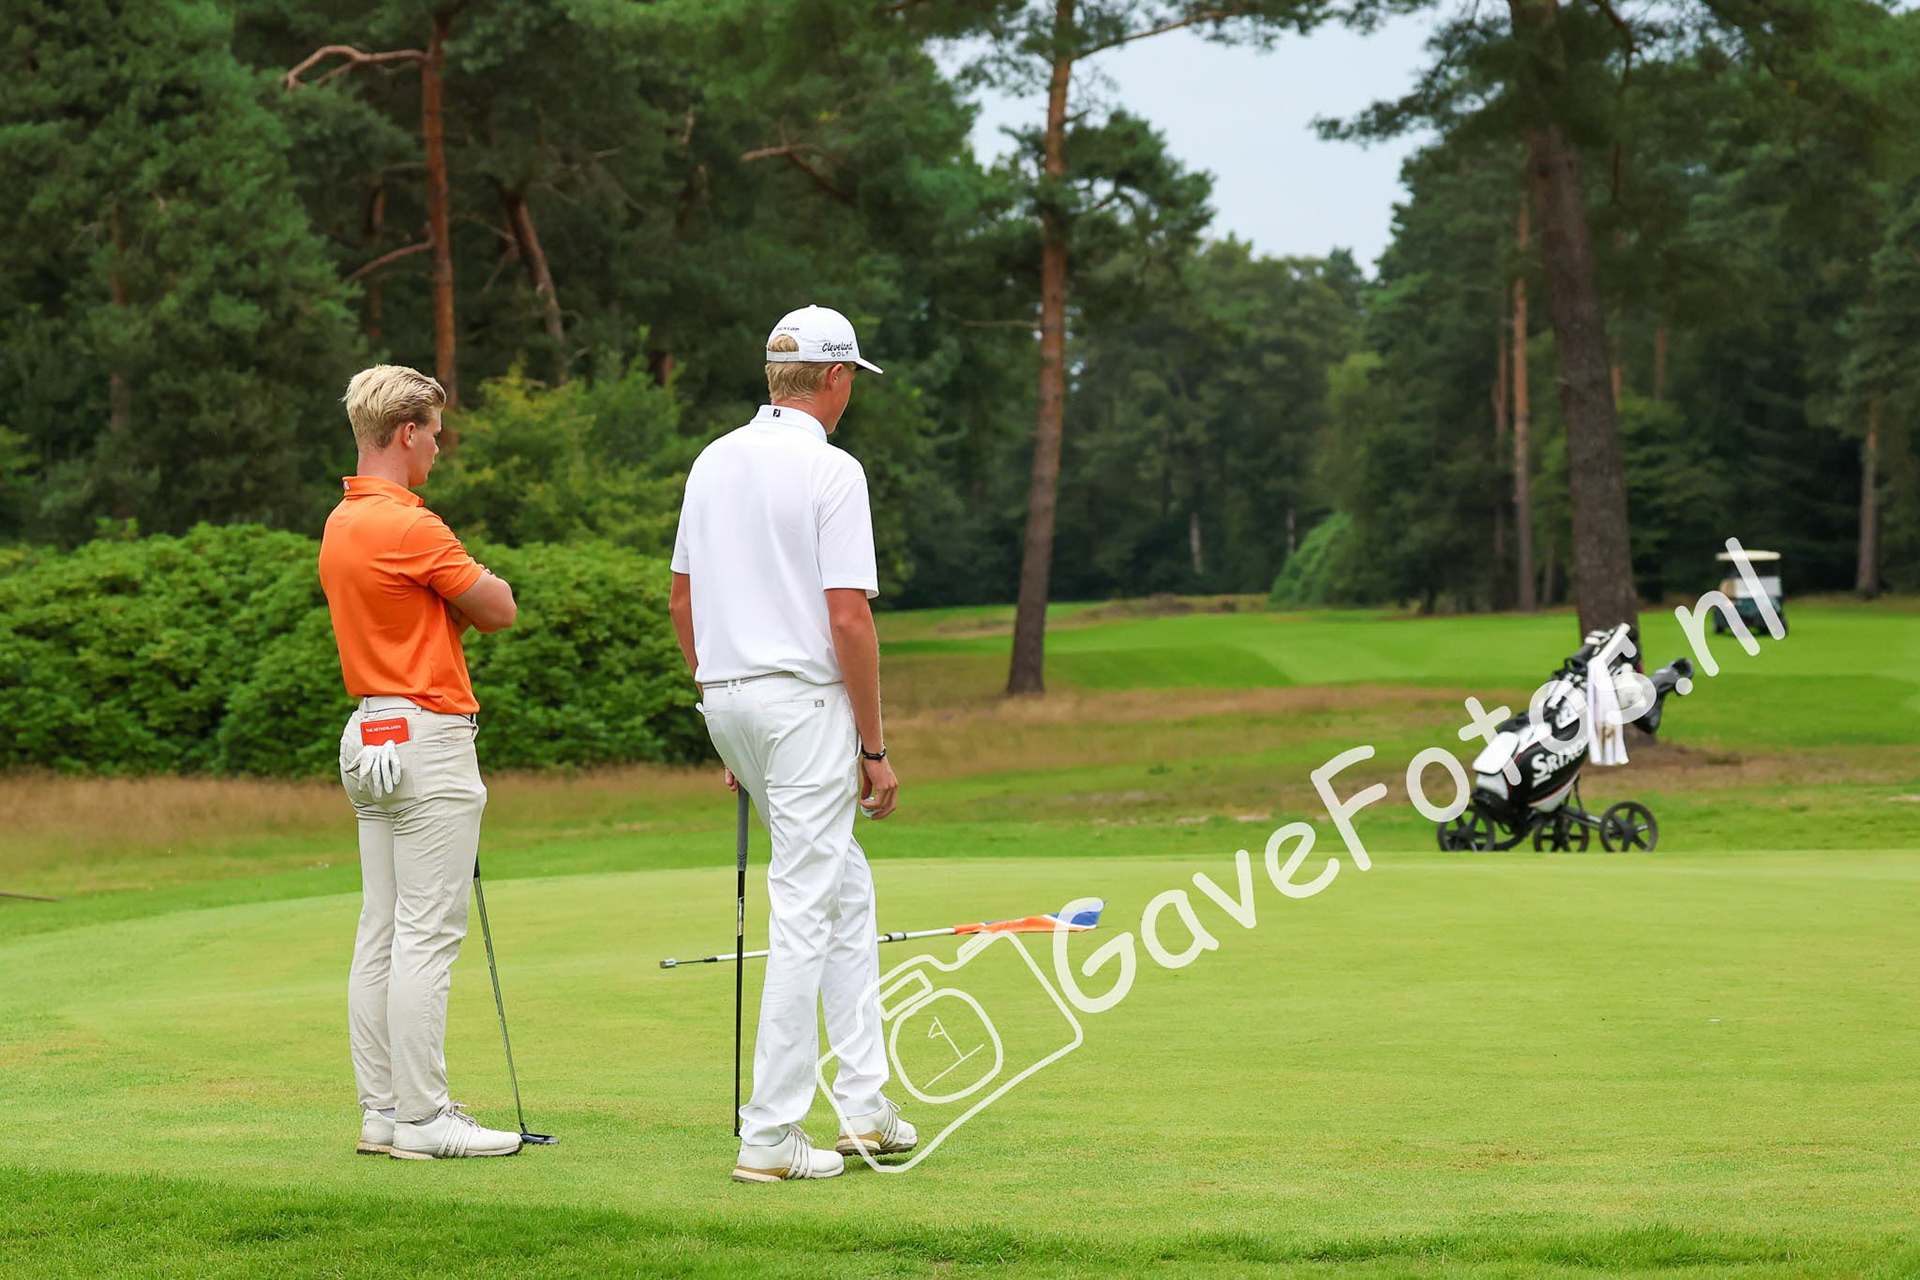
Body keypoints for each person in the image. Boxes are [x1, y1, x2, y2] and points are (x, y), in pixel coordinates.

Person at [669, 305, 915, 1182]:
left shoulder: (712, 459)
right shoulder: (833, 470)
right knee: (808, 904)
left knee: (845, 887)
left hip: (729, 699)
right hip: (803, 707)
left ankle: (865, 1107)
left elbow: (682, 604)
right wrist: (874, 746)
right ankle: (770, 1133)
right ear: (837, 379)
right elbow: (848, 616)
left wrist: (726, 715)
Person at [319, 364, 524, 1160]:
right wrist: (463, 599)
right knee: (426, 934)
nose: (438, 447)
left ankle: (383, 1112)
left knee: (381, 929)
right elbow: (499, 606)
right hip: (427, 735)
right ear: (407, 432)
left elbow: (424, 612)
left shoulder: (342, 522)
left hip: (369, 728)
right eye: (434, 433)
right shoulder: (412, 525)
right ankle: (423, 1118)